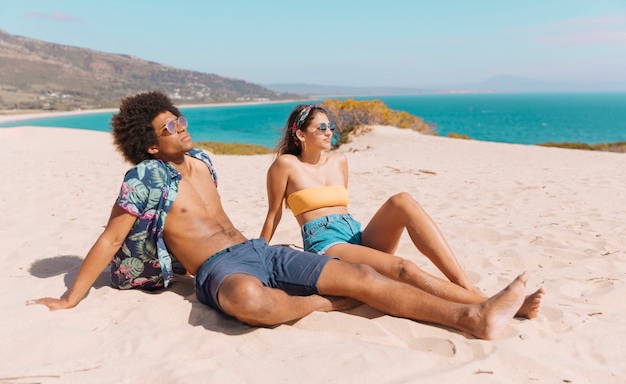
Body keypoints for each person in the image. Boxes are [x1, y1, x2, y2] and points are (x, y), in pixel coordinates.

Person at [33, 91, 532, 340]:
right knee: (247, 298)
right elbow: (107, 239)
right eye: (170, 127)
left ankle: (474, 314)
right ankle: (321, 305)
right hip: (219, 270)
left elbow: (249, 222)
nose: (183, 128)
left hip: (257, 249)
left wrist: (264, 244)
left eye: (180, 119)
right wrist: (70, 299)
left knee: (361, 274)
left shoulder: (204, 160)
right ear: (149, 143)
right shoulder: (143, 181)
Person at [261, 103, 545, 318]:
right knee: (404, 268)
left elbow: (342, 207)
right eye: (320, 128)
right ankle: (492, 303)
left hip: (354, 234)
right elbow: (274, 214)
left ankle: (464, 284)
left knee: (402, 200)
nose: (329, 132)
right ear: (299, 133)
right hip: (327, 244)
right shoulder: (285, 166)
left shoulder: (340, 161)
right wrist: (258, 253)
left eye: (330, 126)